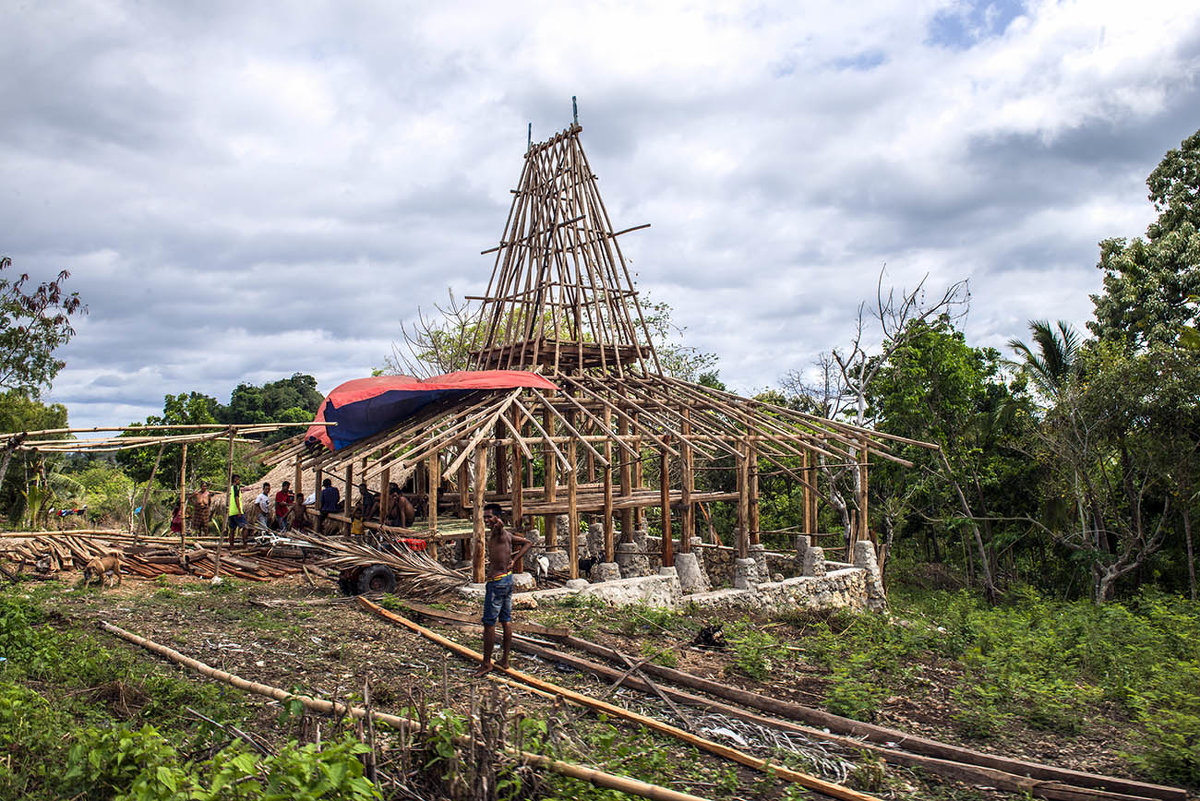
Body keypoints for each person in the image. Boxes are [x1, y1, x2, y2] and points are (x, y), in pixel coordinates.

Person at [474, 503, 531, 677]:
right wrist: (515, 560)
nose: (486, 520)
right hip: (507, 580)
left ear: (497, 518)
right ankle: (504, 660)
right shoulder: (507, 536)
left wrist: (498, 522)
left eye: (489, 517)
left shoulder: (499, 532)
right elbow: (528, 542)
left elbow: (500, 526)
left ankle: (486, 663)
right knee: (506, 620)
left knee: (489, 624)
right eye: (484, 517)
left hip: (497, 583)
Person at [227, 474, 248, 546]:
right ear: (235, 480)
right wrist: (239, 510)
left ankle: (231, 546)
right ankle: (245, 544)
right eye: (238, 479)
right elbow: (236, 499)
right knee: (245, 527)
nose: (239, 481)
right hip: (236, 511)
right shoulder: (236, 488)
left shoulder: (231, 488)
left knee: (232, 529)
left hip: (231, 512)